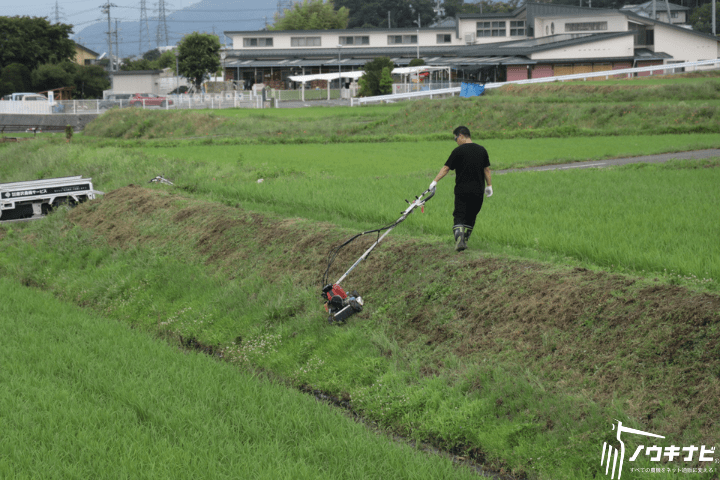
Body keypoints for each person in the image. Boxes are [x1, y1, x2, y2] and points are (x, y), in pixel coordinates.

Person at [429, 126, 493, 252]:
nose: (456, 141)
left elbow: (446, 168)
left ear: (461, 136)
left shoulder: (458, 151)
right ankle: (465, 240)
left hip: (462, 191)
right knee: (471, 215)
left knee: (459, 215)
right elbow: (487, 170)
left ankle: (459, 239)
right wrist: (489, 186)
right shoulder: (482, 150)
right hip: (478, 191)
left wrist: (434, 181)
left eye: (455, 138)